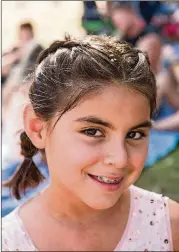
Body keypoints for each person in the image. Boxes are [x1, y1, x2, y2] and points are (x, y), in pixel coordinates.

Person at [2, 35, 179, 251]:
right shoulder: (9, 243)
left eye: (134, 134)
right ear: (37, 129)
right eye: (93, 131)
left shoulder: (170, 228)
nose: (120, 159)